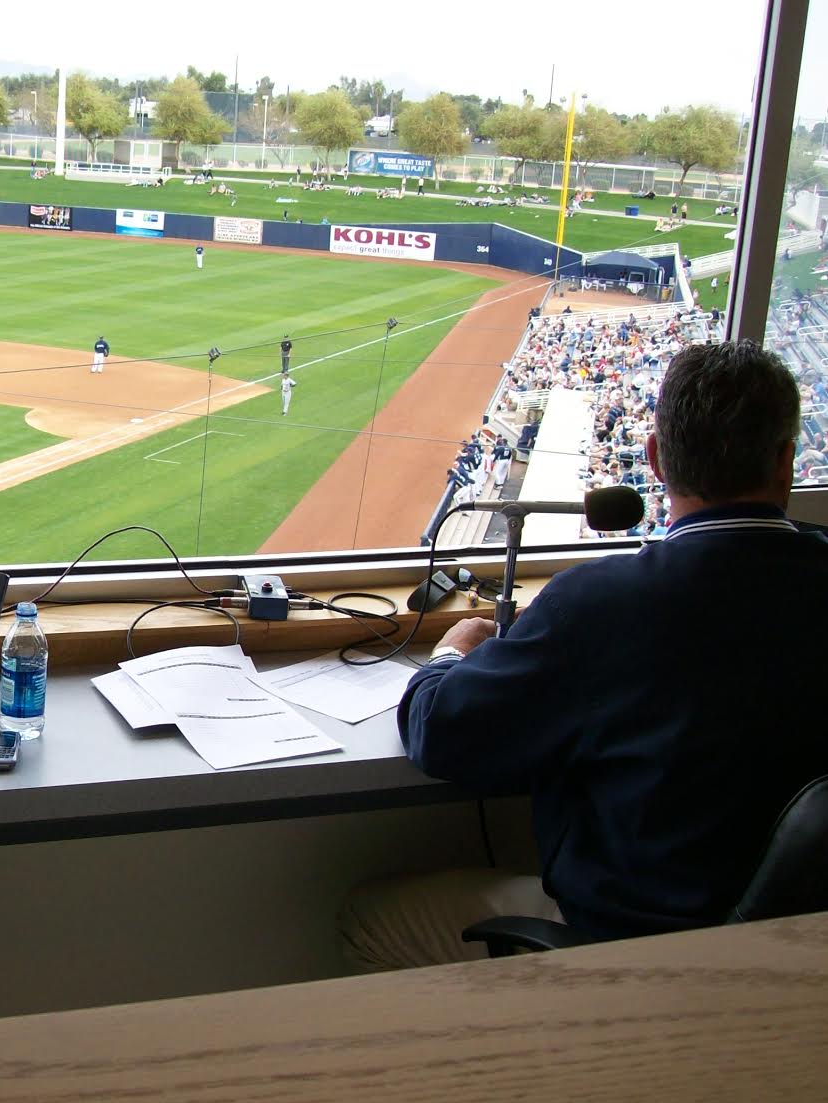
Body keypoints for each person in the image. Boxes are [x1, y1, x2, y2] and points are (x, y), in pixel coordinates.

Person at [338, 341, 828, 972]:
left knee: (366, 920)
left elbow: (438, 733)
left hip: (643, 951)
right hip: (799, 956)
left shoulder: (603, 602)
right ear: (786, 461)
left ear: (655, 458)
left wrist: (448, 655)